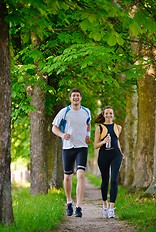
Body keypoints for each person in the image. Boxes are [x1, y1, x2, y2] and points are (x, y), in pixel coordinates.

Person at [52, 88, 91, 218]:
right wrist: (62, 135)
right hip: (68, 147)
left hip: (82, 147)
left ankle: (79, 207)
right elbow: (54, 128)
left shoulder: (86, 111)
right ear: (70, 98)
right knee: (68, 176)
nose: (76, 98)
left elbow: (88, 124)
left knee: (80, 175)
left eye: (78, 96)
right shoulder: (64, 112)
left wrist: (88, 134)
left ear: (81, 98)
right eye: (73, 96)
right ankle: (69, 202)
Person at [94, 106, 123, 219]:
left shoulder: (118, 127)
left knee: (114, 180)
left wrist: (121, 152)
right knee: (105, 181)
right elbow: (96, 146)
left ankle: (111, 209)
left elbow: (117, 141)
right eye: (107, 113)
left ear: (113, 114)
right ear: (104, 114)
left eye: (111, 113)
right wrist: (103, 141)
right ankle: (105, 204)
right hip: (103, 156)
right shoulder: (99, 128)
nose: (109, 115)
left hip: (116, 155)